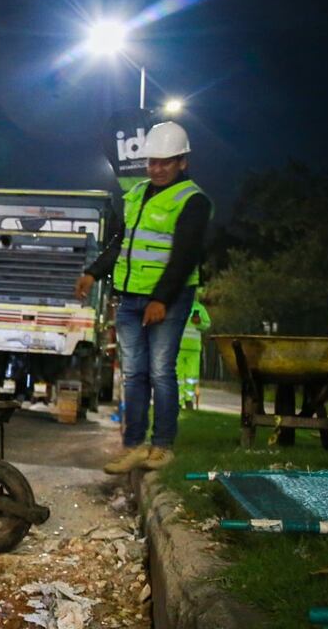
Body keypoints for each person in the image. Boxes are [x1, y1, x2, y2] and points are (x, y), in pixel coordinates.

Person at [75, 122, 212, 474]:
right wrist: (93, 272)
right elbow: (120, 245)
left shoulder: (192, 200)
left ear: (182, 161)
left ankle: (162, 446)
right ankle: (134, 446)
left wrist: (161, 299)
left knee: (161, 372)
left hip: (169, 298)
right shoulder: (136, 195)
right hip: (131, 298)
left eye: (166, 162)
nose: (157, 168)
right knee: (134, 374)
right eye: (153, 161)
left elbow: (185, 256)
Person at [178, 293, 211, 409]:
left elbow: (207, 324)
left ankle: (188, 401)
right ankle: (179, 400)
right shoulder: (178, 305)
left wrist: (199, 323)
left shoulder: (199, 308)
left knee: (191, 376)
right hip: (179, 347)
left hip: (192, 348)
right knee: (179, 376)